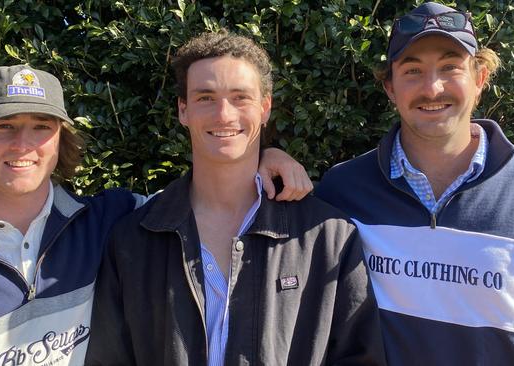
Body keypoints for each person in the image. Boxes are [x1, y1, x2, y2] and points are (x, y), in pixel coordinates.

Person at [0, 64, 311, 365]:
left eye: (41, 127)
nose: (23, 145)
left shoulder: (106, 221)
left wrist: (261, 157)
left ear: (60, 141)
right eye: (4, 127)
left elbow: (211, 196)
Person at [86, 30, 385, 366]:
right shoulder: (133, 239)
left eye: (240, 97)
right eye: (205, 98)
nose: (224, 114)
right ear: (183, 110)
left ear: (265, 108)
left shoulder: (326, 237)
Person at [315, 2, 514, 365]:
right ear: (390, 87)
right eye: (412, 71)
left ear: (480, 79)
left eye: (450, 67)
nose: (432, 88)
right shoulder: (342, 191)